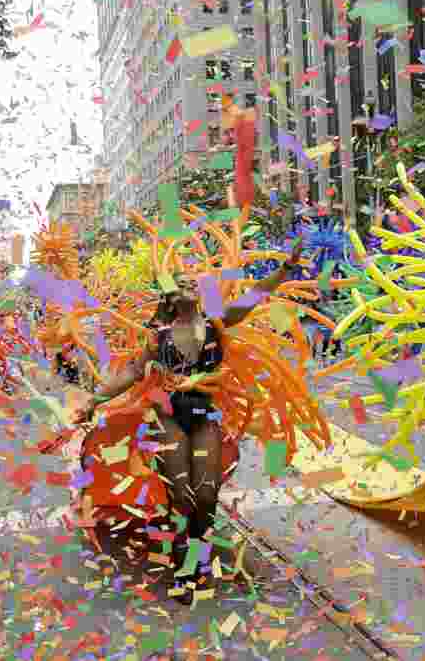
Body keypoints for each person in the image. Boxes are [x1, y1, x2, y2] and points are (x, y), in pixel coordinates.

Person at [73, 241, 305, 605]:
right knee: (181, 494)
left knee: (207, 494)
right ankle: (184, 568)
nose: (191, 285)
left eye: (195, 282)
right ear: (169, 294)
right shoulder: (159, 334)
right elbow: (134, 371)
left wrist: (285, 270)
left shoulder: (216, 321)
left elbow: (254, 297)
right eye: (182, 282)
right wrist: (94, 399)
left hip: (203, 416)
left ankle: (198, 560)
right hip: (167, 418)